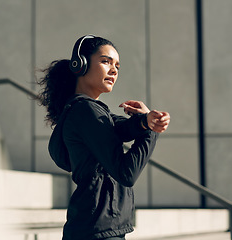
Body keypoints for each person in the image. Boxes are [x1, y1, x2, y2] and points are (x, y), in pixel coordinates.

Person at [37, 35, 170, 240]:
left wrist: (147, 119)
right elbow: (126, 173)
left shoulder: (94, 112)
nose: (114, 70)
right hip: (96, 231)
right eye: (106, 61)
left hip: (100, 229)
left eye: (117, 65)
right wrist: (151, 130)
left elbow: (123, 128)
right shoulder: (85, 111)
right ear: (79, 64)